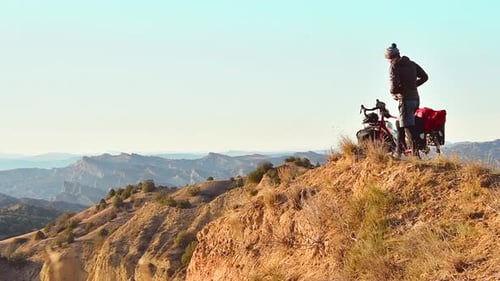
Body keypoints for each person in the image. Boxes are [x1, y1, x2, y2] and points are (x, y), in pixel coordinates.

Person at [385, 43, 428, 157]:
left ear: (390, 57)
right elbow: (425, 77)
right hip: (415, 98)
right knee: (400, 123)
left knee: (408, 126)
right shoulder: (411, 64)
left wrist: (394, 93)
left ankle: (415, 155)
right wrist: (413, 86)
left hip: (405, 99)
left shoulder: (394, 66)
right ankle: (399, 151)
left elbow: (393, 86)